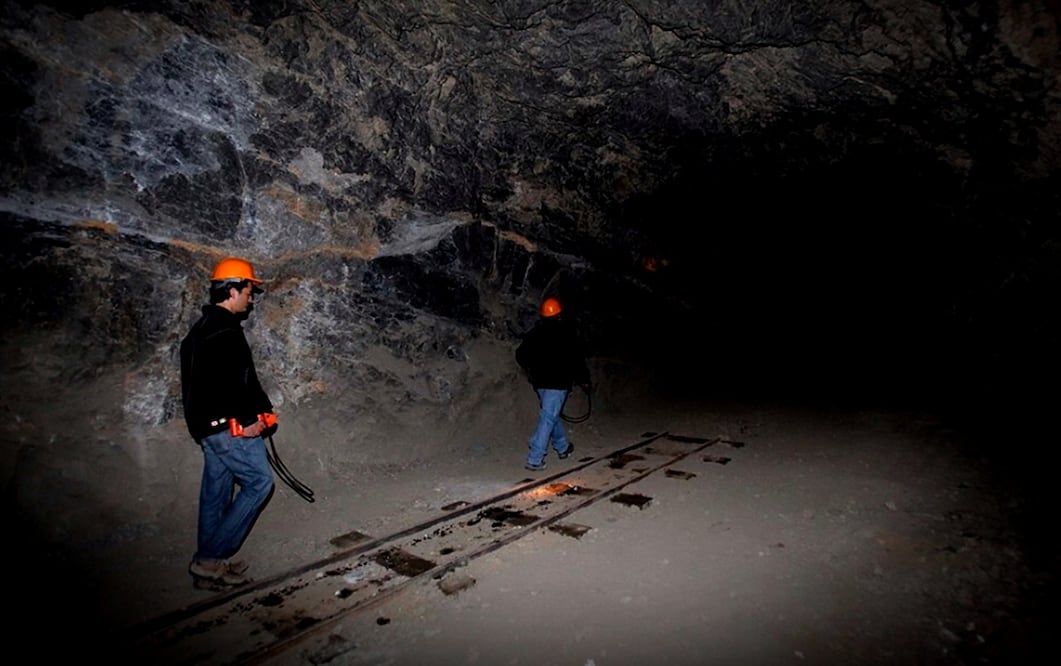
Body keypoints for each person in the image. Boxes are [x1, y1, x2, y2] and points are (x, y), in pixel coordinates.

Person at [179, 256, 276, 588]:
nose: (251, 297)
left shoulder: (199, 331)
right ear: (233, 290)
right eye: (249, 290)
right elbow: (230, 382)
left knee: (217, 491)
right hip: (229, 427)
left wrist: (262, 409)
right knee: (259, 483)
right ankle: (209, 558)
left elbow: (219, 381)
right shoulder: (224, 330)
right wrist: (248, 419)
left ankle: (210, 565)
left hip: (207, 428)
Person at [515, 297, 591, 471]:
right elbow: (577, 360)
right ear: (559, 315)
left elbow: (520, 355)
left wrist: (531, 370)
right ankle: (535, 458)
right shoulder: (567, 333)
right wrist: (584, 380)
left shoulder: (535, 333)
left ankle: (562, 447)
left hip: (540, 383)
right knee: (548, 417)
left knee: (550, 415)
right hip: (558, 384)